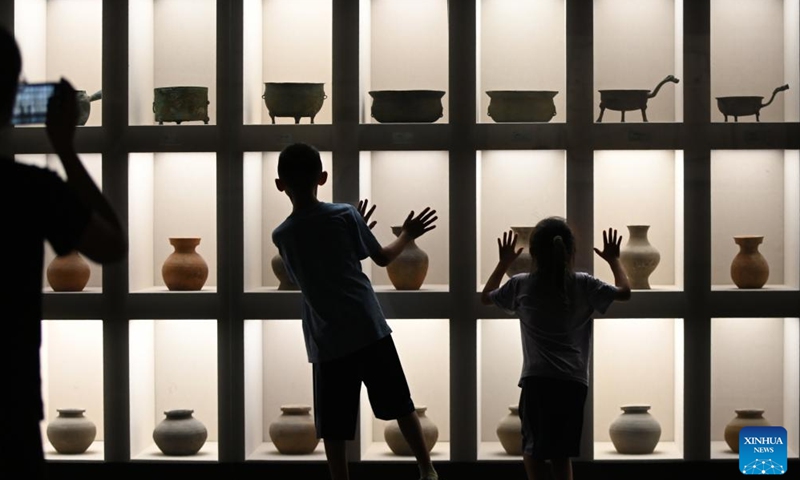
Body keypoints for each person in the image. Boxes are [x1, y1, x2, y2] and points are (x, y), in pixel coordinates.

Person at [0, 28, 127, 479]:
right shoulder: (28, 189)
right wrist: (65, 149)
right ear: (12, 96)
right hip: (8, 403)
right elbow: (112, 243)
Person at [271, 142, 439, 480]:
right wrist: (406, 234)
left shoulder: (283, 235)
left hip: (327, 337)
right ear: (322, 177)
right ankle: (427, 469)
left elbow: (299, 276)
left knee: (334, 424)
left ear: (279, 184)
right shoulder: (345, 215)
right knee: (400, 402)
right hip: (367, 327)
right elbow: (380, 257)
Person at [481, 217, 631, 480]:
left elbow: (486, 297)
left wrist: (504, 262)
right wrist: (613, 259)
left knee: (533, 451)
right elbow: (625, 292)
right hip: (573, 382)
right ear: (571, 251)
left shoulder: (521, 284)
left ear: (533, 252)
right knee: (561, 455)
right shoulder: (584, 283)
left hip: (537, 380)